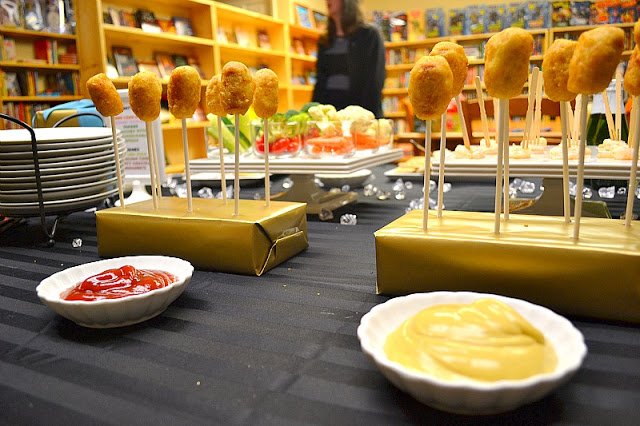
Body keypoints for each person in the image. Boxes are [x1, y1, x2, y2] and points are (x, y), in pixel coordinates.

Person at [312, 0, 386, 118]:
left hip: (360, 117)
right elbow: (320, 82)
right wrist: (314, 114)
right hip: (330, 117)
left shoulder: (370, 35)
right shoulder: (324, 41)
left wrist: (364, 118)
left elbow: (374, 82)